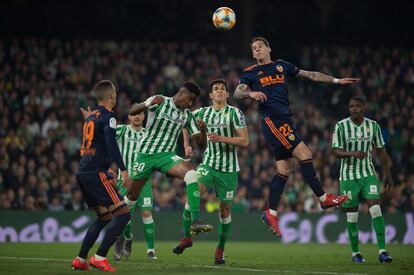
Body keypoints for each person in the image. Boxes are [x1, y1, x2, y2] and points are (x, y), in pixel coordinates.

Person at [234, 36, 359, 237]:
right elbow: (237, 93)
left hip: (285, 119)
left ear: (268, 48)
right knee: (304, 153)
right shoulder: (250, 73)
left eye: (259, 47)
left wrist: (336, 80)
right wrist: (250, 94)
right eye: (253, 49)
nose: (256, 51)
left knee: (284, 169)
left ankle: (271, 212)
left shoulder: (282, 66)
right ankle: (323, 197)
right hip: (272, 120)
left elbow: (310, 75)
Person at [173, 79, 249, 264]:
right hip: (208, 165)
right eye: (216, 89)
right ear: (211, 95)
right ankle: (187, 238)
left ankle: (220, 249)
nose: (220, 91)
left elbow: (245, 141)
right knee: (193, 192)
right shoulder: (202, 113)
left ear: (228, 95)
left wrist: (221, 138)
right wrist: (186, 144)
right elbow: (184, 121)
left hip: (229, 170)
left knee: (224, 211)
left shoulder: (234, 113)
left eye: (223, 89)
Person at [124, 81, 212, 235]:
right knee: (131, 197)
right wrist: (148, 103)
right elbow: (132, 111)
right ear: (182, 93)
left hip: (167, 156)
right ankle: (123, 233)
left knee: (191, 174)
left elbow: (201, 145)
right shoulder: (160, 101)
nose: (191, 103)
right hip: (146, 155)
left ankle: (195, 221)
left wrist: (203, 131)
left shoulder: (187, 116)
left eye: (194, 102)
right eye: (190, 99)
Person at [71, 80, 131, 272]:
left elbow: (96, 143)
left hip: (83, 172)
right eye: (115, 92)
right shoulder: (109, 117)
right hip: (95, 172)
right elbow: (111, 145)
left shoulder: (91, 117)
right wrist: (123, 168)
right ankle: (100, 257)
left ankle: (80, 260)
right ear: (111, 96)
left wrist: (90, 118)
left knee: (104, 217)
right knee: (123, 214)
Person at [332, 96, 393, 263]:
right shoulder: (341, 126)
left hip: (368, 174)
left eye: (358, 106)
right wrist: (353, 153)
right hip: (348, 176)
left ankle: (382, 251)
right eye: (351, 106)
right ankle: (355, 253)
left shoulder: (373, 126)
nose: (354, 109)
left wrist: (388, 175)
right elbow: (336, 151)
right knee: (352, 215)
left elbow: (381, 151)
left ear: (364, 108)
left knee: (375, 208)